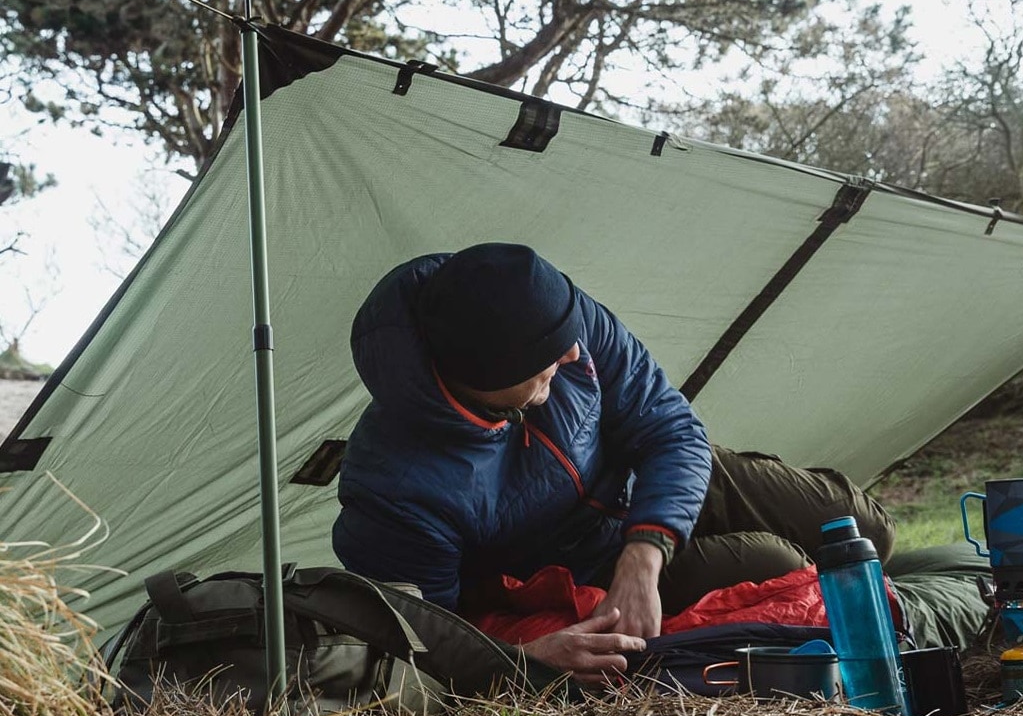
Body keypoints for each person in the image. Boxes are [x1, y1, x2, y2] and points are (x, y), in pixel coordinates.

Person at [333, 243, 896, 684]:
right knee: (779, 562)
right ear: (487, 374)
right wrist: (524, 658)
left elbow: (670, 426)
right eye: (548, 356)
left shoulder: (559, 315)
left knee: (864, 532)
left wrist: (643, 558)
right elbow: (423, 635)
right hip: (575, 563)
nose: (575, 354)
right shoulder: (394, 486)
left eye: (570, 337)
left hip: (658, 476)